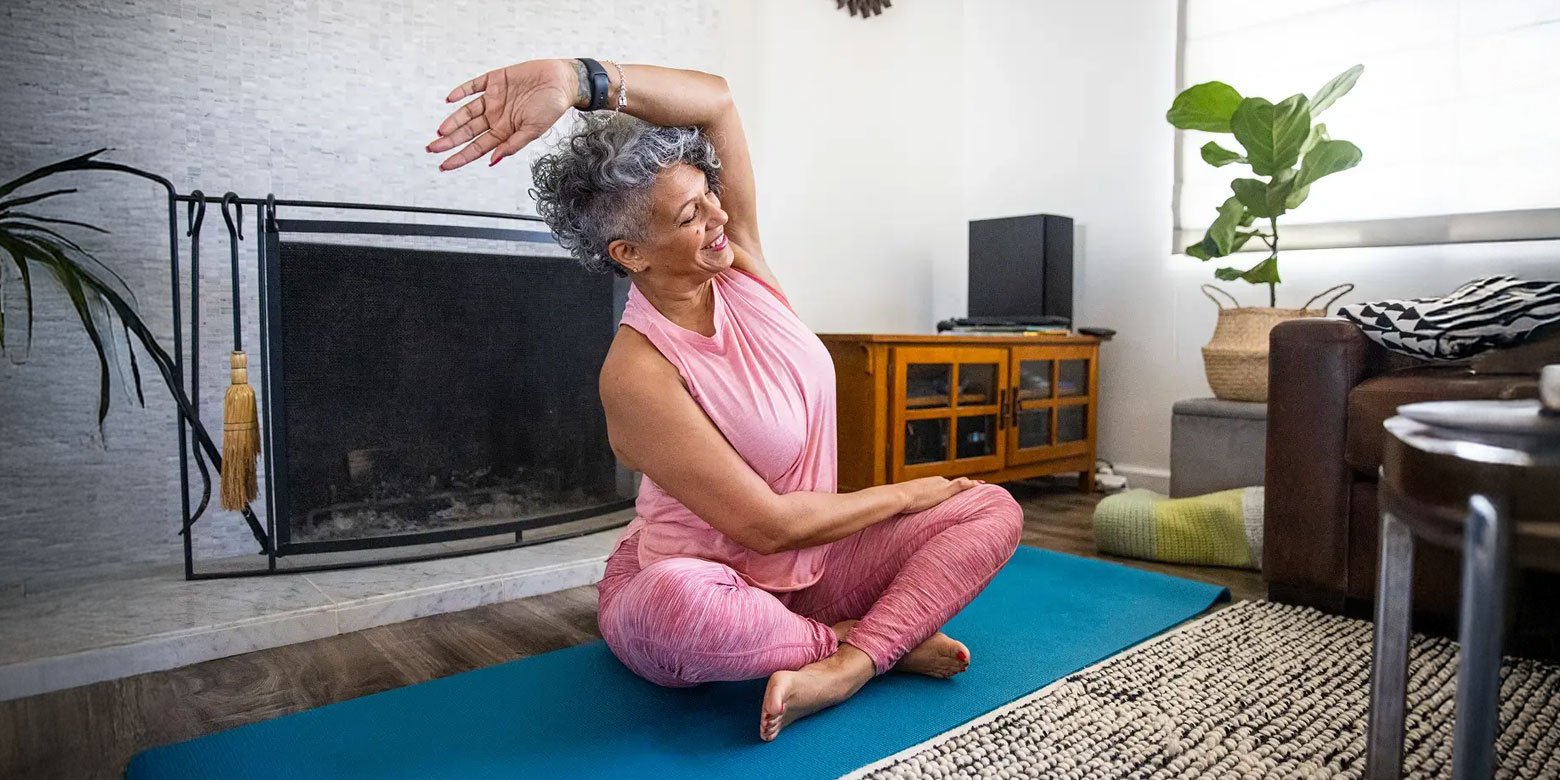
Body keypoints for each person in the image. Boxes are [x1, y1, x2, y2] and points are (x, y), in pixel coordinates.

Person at [426, 58, 1024, 742]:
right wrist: (908, 494)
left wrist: (577, 80)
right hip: (705, 583)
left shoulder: (740, 260)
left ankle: (851, 660)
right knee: (677, 610)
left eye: (709, 191)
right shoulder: (638, 371)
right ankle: (853, 640)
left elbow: (716, 102)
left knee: (991, 509)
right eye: (690, 214)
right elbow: (768, 528)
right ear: (631, 253)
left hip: (817, 563)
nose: (718, 214)